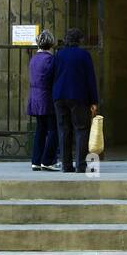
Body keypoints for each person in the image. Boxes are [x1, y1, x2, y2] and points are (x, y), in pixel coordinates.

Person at [51, 27, 99, 173]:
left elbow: (53, 75)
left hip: (59, 97)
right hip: (78, 96)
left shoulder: (59, 54)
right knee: (81, 129)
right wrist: (94, 101)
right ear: (79, 40)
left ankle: (66, 165)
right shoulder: (84, 55)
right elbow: (90, 79)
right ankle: (80, 165)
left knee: (64, 130)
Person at [27, 30, 59, 172]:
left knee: (40, 130)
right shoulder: (50, 59)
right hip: (47, 97)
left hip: (35, 96)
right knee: (53, 130)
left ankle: (36, 160)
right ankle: (47, 160)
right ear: (51, 43)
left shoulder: (34, 59)